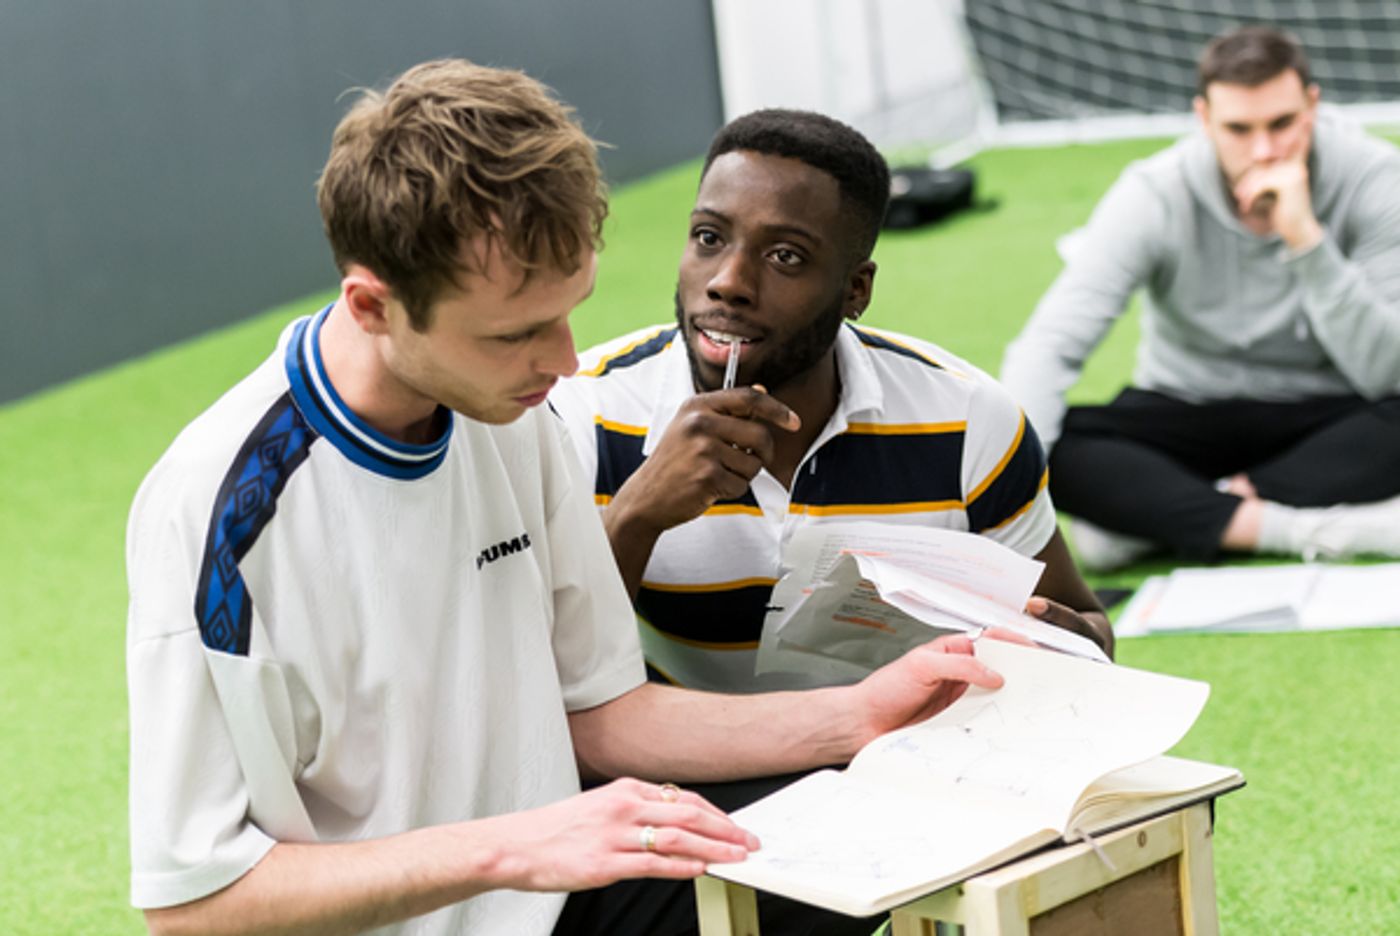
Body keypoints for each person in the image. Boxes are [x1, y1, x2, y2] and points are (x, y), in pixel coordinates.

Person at [124, 60, 1008, 936]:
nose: (563, 362)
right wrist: (514, 848)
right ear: (371, 306)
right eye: (517, 333)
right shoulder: (221, 512)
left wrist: (861, 714)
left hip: (554, 891)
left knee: (877, 839)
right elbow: (194, 904)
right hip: (439, 905)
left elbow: (604, 712)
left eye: (570, 309)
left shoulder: (509, 408)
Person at [548, 108, 1112, 696]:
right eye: (709, 238)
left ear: (855, 290)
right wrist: (638, 515)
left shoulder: (969, 420)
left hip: (907, 762)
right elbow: (542, 668)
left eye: (785, 255)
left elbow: (1089, 633)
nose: (728, 281)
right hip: (678, 772)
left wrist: (1063, 644)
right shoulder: (582, 410)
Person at [999, 25, 1400, 571]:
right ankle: (1309, 529)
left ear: (1312, 105)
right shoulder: (1154, 192)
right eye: (1239, 128)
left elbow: (1385, 374)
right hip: (1187, 410)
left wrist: (1306, 239)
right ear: (1203, 119)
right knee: (1039, 439)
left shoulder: (1375, 178)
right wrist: (1007, 497)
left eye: (1282, 124)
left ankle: (1169, 514)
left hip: (1323, 413)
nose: (1263, 150)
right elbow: (1053, 342)